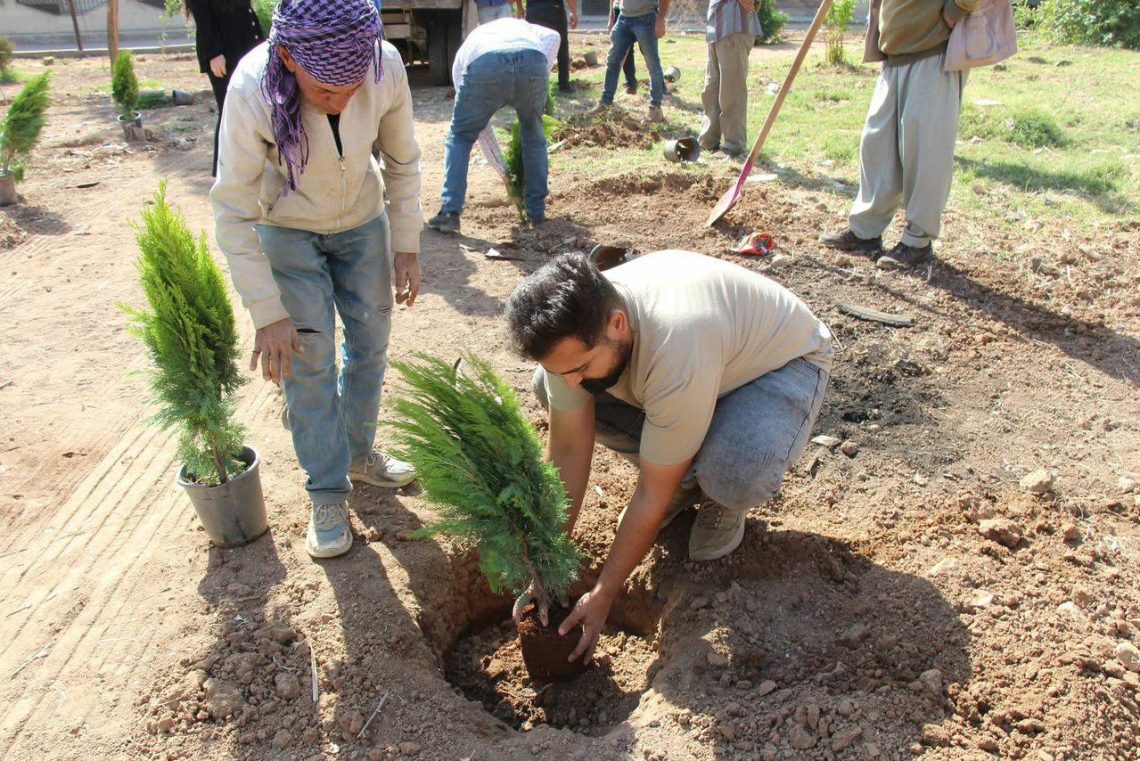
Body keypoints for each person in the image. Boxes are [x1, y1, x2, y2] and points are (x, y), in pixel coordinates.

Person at [505, 251, 833, 663]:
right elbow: (568, 450)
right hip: (699, 375)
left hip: (777, 368)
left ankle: (717, 497)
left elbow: (650, 494)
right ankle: (685, 465)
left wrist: (605, 593)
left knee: (733, 469)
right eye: (564, 371)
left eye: (581, 367)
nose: (571, 379)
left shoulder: (676, 346)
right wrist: (546, 564)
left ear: (617, 324)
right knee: (547, 386)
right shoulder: (577, 331)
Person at [210, 0, 423, 560]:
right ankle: (327, 491)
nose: (344, 101)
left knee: (372, 343)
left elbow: (402, 161)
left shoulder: (383, 66)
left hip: (363, 223)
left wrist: (406, 243)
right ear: (288, 58)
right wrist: (267, 311)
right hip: (287, 228)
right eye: (326, 93)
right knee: (308, 357)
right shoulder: (252, 90)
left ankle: (357, 451)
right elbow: (232, 210)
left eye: (353, 89)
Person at [820, 0, 978, 270]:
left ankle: (918, 241)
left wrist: (956, 10)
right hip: (894, 51)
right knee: (877, 145)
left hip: (932, 48)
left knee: (924, 150)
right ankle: (866, 231)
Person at [426, 18, 560, 235]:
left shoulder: (466, 56)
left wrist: (504, 173)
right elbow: (554, 37)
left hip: (485, 65)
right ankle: (537, 213)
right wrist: (541, 73)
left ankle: (450, 213)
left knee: (460, 135)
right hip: (533, 60)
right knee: (533, 135)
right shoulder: (524, 27)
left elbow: (480, 131)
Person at [184, 0, 266, 176]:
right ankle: (223, 172)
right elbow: (201, 12)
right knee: (229, 110)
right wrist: (214, 53)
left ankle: (250, 168)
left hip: (247, 41)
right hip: (225, 51)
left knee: (254, 110)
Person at [698, 0, 763, 158]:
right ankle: (708, 141)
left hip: (735, 25)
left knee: (731, 90)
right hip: (717, 26)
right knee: (711, 89)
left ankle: (733, 145)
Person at [595, 0, 670, 122]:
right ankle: (605, 103)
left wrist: (661, 19)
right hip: (623, 18)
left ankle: (655, 109)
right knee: (613, 61)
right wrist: (612, 16)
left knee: (652, 64)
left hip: (646, 19)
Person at [525, 0, 578, 93]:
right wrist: (573, 13)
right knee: (562, 46)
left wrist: (520, 7)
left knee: (533, 46)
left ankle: (531, 82)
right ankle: (564, 84)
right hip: (554, 10)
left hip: (533, 11)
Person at [610, 0, 639, 96]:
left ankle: (660, 86)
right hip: (620, 10)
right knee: (625, 49)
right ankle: (631, 84)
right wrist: (611, 17)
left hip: (642, 11)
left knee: (647, 51)